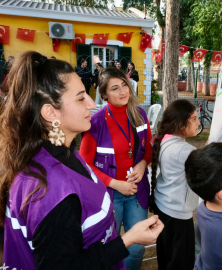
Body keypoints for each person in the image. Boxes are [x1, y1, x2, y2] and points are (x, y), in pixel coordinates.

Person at [0, 51, 163, 270]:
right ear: (50, 113)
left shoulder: (60, 156)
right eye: (81, 97)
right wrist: (128, 239)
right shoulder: (53, 192)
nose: (92, 104)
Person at [149, 99, 222, 270]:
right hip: (176, 215)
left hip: (164, 206)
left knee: (167, 257)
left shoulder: (163, 140)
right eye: (193, 119)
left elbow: (201, 155)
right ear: (180, 123)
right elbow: (212, 163)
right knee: (180, 262)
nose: (198, 122)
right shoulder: (182, 151)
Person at [80, 67, 153, 270]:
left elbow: (148, 151)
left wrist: (142, 163)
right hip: (109, 195)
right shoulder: (94, 122)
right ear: (104, 94)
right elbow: (85, 165)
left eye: (124, 85)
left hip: (137, 193)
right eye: (115, 88)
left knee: (137, 248)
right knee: (111, 248)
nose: (123, 92)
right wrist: (115, 184)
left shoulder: (139, 114)